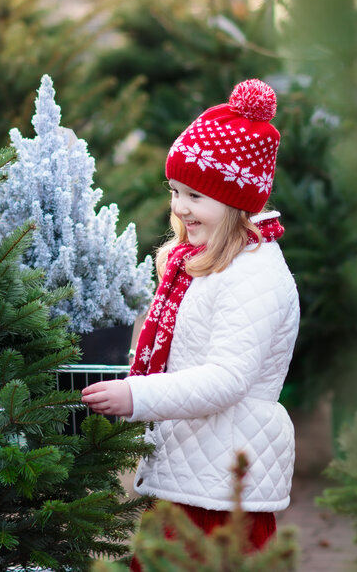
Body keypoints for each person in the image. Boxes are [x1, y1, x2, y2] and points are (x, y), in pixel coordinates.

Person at [80, 79, 299, 566]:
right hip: (192, 469)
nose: (179, 206)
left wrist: (136, 396)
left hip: (225, 484)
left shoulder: (255, 274)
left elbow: (226, 379)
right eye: (175, 191)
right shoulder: (201, 261)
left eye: (196, 196)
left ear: (237, 200)